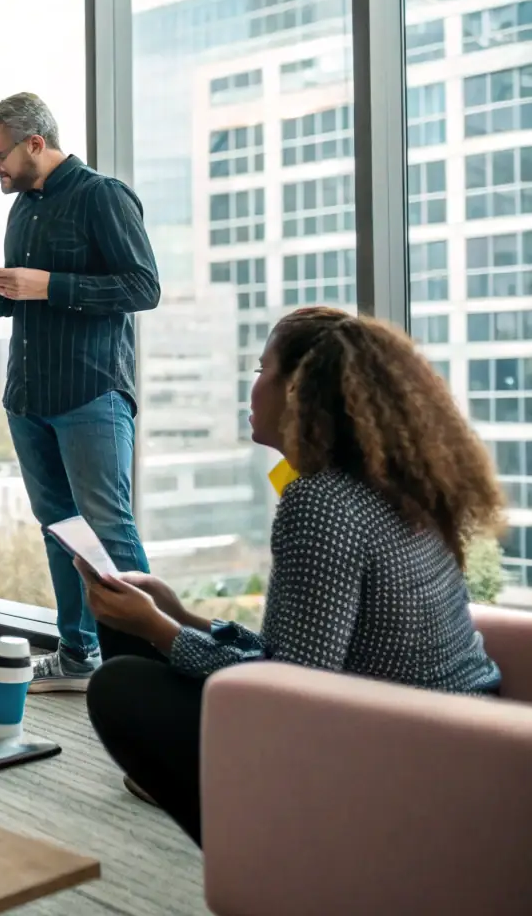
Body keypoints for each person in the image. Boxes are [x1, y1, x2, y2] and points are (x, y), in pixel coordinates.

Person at [81, 307, 504, 846]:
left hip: (400, 746)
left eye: (262, 371)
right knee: (128, 625)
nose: (252, 388)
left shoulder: (323, 501)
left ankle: (270, 854)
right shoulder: (393, 487)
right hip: (447, 726)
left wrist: (161, 630)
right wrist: (179, 615)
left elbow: (291, 688)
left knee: (120, 686)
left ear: (300, 391)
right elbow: (303, 658)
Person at [0, 91, 161, 691]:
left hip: (90, 393)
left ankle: (149, 667)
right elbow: (26, 305)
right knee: (61, 529)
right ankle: (77, 653)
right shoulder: (23, 210)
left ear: (35, 143)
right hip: (29, 396)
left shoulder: (103, 197)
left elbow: (143, 288)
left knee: (108, 528)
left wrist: (50, 284)